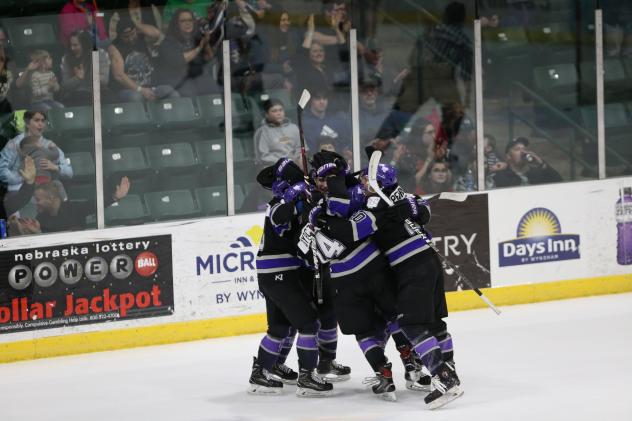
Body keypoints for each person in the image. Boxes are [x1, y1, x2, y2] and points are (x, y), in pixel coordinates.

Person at [321, 161, 464, 408]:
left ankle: (444, 377)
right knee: (432, 321)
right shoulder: (402, 196)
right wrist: (412, 206)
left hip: (412, 267)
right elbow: (425, 211)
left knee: (409, 323)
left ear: (378, 183)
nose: (363, 183)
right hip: (429, 261)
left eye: (367, 179)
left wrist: (325, 220)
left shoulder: (375, 206)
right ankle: (448, 369)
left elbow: (350, 232)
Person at [308, 151, 431, 400]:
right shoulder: (355, 191)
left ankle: (400, 370)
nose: (323, 183)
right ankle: (395, 370)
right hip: (363, 271)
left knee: (380, 323)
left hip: (354, 275)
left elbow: (341, 210)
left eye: (327, 178)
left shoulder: (318, 206)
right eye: (320, 179)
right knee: (374, 325)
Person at [248, 158, 333, 397]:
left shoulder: (299, 202)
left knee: (279, 327)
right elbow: (280, 217)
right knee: (308, 323)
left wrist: (311, 199)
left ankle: (260, 373)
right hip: (278, 272)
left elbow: (308, 222)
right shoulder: (277, 204)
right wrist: (292, 196)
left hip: (275, 272)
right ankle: (307, 377)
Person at [108, 14, 179, 102]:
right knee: (136, 97)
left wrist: (136, 24)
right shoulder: (114, 47)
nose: (130, 38)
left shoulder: (142, 38)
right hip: (129, 90)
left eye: (132, 34)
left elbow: (157, 34)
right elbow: (119, 75)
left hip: (151, 87)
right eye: (126, 37)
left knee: (170, 92)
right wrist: (140, 90)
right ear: (120, 36)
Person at [0, 111, 73, 193]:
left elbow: (69, 172)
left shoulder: (50, 145)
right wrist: (23, 178)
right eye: (36, 120)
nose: (40, 124)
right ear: (27, 123)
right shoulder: (13, 144)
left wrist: (56, 167)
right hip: (20, 190)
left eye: (43, 121)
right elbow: (2, 170)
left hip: (44, 189)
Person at [154, 8, 219, 97]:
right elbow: (179, 60)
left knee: (214, 89)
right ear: (176, 24)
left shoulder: (196, 38)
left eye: (190, 20)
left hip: (196, 78)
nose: (187, 23)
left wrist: (206, 43)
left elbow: (210, 58)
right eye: (183, 21)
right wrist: (199, 47)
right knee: (190, 92)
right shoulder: (168, 42)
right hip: (177, 81)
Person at [34, 176, 130, 233]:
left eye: (38, 199)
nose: (36, 203)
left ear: (51, 198)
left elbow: (94, 204)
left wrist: (115, 197)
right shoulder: (40, 219)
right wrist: (37, 233)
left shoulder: (74, 209)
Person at [60, 30, 111, 106]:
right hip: (77, 93)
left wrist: (94, 75)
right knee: (82, 97)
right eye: (71, 45)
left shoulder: (100, 54)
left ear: (85, 44)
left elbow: (104, 81)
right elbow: (65, 86)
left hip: (99, 90)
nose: (72, 48)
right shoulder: (66, 58)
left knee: (110, 98)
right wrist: (77, 78)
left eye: (75, 45)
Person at [494, 137, 562, 188]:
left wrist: (541, 163)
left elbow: (559, 182)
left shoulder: (536, 173)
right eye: (517, 149)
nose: (523, 152)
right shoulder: (500, 177)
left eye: (524, 149)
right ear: (509, 156)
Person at [254, 99, 301, 167]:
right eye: (274, 111)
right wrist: (285, 161)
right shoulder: (262, 132)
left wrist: (297, 158)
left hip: (295, 166)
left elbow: (301, 148)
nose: (279, 113)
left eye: (280, 110)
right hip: (273, 168)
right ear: (267, 114)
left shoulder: (294, 127)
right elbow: (262, 157)